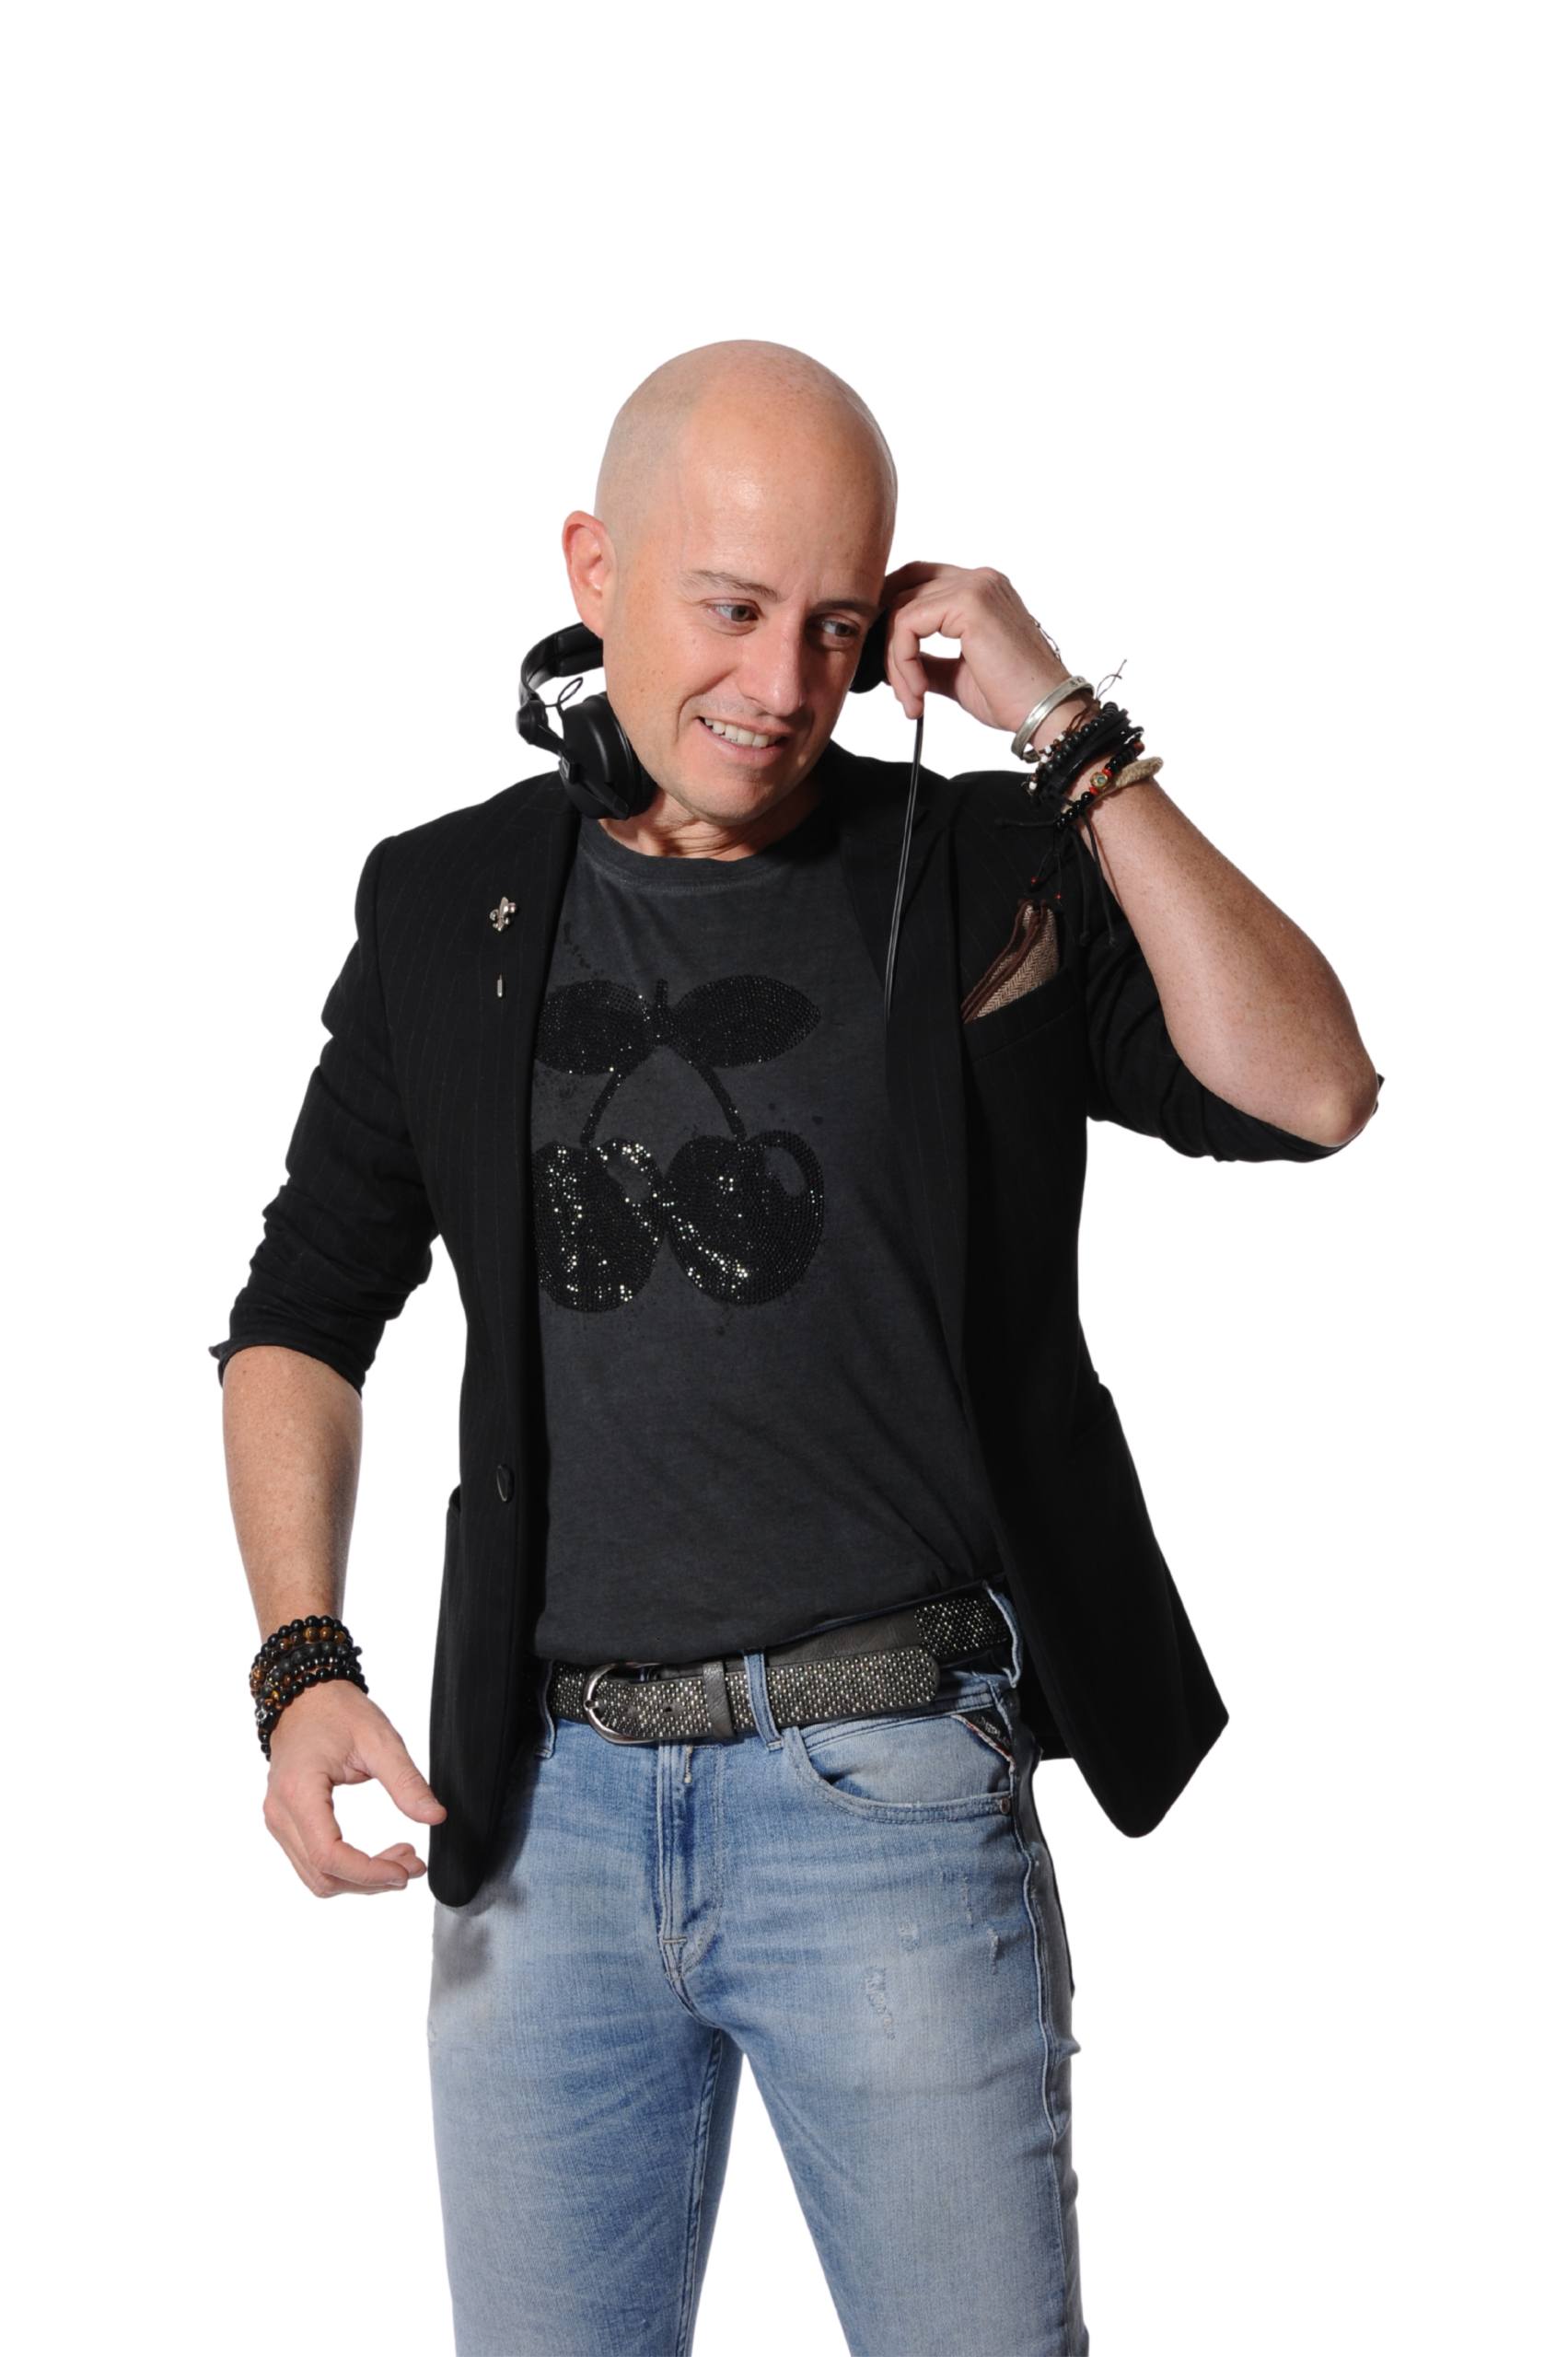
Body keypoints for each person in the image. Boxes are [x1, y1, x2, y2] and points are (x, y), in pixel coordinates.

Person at [215, 338, 1380, 2356]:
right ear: (591, 568)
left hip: (886, 1798)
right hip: (538, 1825)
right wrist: (300, 1665)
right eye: (731, 608)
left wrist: (1065, 726)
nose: (778, 684)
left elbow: (1315, 1093)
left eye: (836, 626)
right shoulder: (443, 900)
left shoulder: (980, 866)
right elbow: (300, 1317)